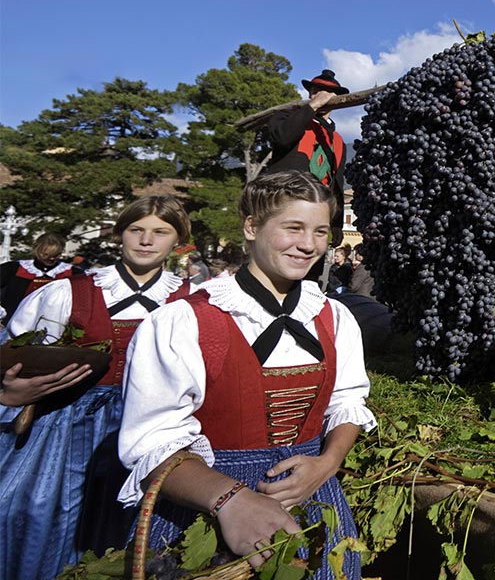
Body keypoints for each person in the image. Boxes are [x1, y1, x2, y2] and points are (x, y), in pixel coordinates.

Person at [117, 171, 375, 579]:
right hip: (205, 505)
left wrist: (329, 462)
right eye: (293, 228)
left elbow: (347, 401)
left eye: (321, 231)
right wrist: (231, 501)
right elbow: (152, 443)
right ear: (252, 227)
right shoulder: (183, 322)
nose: (308, 245)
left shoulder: (334, 316)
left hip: (315, 499)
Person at [0, 196, 193, 580]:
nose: (145, 240)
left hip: (150, 431)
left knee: (132, 532)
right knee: (35, 514)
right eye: (136, 230)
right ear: (120, 234)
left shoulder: (189, 302)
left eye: (160, 232)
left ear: (178, 241)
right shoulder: (68, 292)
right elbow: (15, 355)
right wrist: (12, 388)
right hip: (65, 427)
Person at [265, 69, 349, 238]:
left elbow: (337, 183)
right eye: (314, 91)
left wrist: (336, 223)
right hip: (285, 206)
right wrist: (313, 107)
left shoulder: (339, 141)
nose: (317, 95)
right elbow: (282, 137)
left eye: (324, 92)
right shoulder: (286, 118)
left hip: (318, 215)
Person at [0, 232, 77, 320]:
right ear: (36, 250)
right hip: (12, 324)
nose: (51, 259)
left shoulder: (72, 273)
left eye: (56, 255)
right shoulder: (13, 268)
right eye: (46, 255)